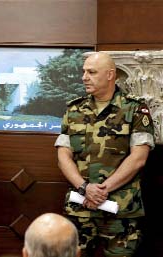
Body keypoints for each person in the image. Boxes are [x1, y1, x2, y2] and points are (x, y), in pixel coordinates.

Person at [54, 52, 154, 257]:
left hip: (119, 211)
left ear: (110, 75)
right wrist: (84, 188)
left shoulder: (135, 109)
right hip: (79, 208)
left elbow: (139, 158)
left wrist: (100, 191)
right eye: (83, 72)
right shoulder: (74, 109)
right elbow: (63, 156)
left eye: (91, 72)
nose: (84, 77)